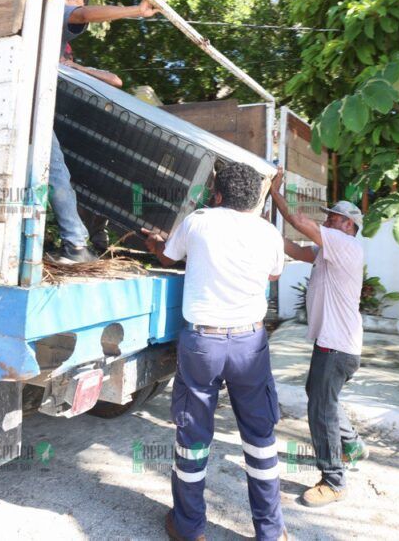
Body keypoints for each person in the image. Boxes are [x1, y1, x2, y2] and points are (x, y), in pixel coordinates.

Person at [142, 162, 288, 541]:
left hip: (202, 345)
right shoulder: (269, 233)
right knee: (260, 440)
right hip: (249, 346)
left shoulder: (198, 222)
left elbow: (168, 258)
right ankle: (271, 532)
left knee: (193, 436)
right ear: (254, 198)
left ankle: (189, 528)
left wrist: (156, 244)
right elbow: (274, 274)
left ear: (218, 195)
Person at [269, 167, 367, 507]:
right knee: (321, 395)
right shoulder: (329, 251)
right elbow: (294, 249)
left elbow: (298, 222)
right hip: (336, 343)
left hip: (337, 346)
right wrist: (258, 228)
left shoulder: (346, 245)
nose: (327, 222)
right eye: (328, 218)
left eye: (334, 218)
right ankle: (351, 443)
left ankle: (334, 479)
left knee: (320, 408)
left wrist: (274, 192)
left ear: (348, 226)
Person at [47, 0, 157, 264]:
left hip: (46, 114)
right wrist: (136, 10)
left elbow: (115, 80)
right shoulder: (52, 13)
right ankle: (74, 244)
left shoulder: (62, 49)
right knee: (57, 174)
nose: (80, 19)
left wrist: (76, 67)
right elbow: (82, 15)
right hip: (31, 109)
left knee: (57, 173)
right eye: (77, 7)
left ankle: (76, 242)